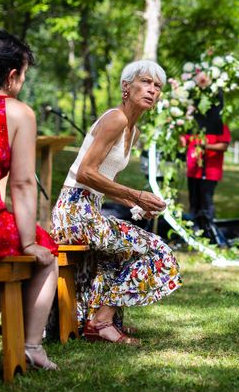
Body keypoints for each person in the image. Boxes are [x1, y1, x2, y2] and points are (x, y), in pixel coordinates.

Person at [51, 60, 181, 344]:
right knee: (157, 250)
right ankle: (102, 321)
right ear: (126, 86)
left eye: (157, 86)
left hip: (90, 207)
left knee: (119, 251)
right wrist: (135, 194)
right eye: (145, 82)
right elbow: (86, 172)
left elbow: (104, 181)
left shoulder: (132, 131)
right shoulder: (116, 119)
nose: (152, 90)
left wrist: (137, 206)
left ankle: (95, 321)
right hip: (74, 209)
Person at [0, 30, 59, 375]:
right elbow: (24, 184)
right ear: (12, 76)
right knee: (45, 253)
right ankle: (31, 347)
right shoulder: (17, 112)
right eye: (24, 74)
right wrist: (28, 241)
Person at [183, 90, 230, 223]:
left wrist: (205, 146)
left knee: (206, 201)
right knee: (193, 201)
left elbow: (224, 145)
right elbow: (184, 141)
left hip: (209, 171)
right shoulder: (193, 124)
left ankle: (209, 228)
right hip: (193, 170)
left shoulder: (220, 123)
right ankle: (195, 228)